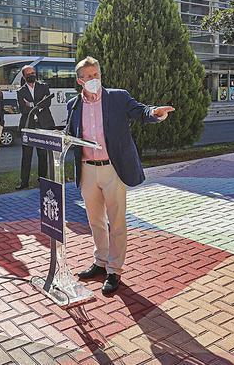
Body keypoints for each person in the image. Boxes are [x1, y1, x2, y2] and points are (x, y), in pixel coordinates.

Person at [66, 57, 175, 295]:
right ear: (79, 80)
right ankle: (100, 261)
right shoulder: (73, 105)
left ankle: (114, 270)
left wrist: (155, 113)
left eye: (97, 75)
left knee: (116, 221)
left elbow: (140, 110)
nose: (94, 79)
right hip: (87, 170)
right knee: (95, 221)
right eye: (89, 76)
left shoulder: (117, 97)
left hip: (112, 169)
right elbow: (70, 134)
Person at [16, 65, 55, 189]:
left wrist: (31, 105)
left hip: (43, 125)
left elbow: (47, 102)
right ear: (24, 76)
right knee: (26, 156)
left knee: (42, 155)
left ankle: (42, 179)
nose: (32, 75)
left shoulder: (44, 87)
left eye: (33, 72)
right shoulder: (20, 91)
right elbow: (23, 109)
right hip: (28, 126)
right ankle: (24, 182)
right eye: (29, 74)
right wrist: (39, 104)